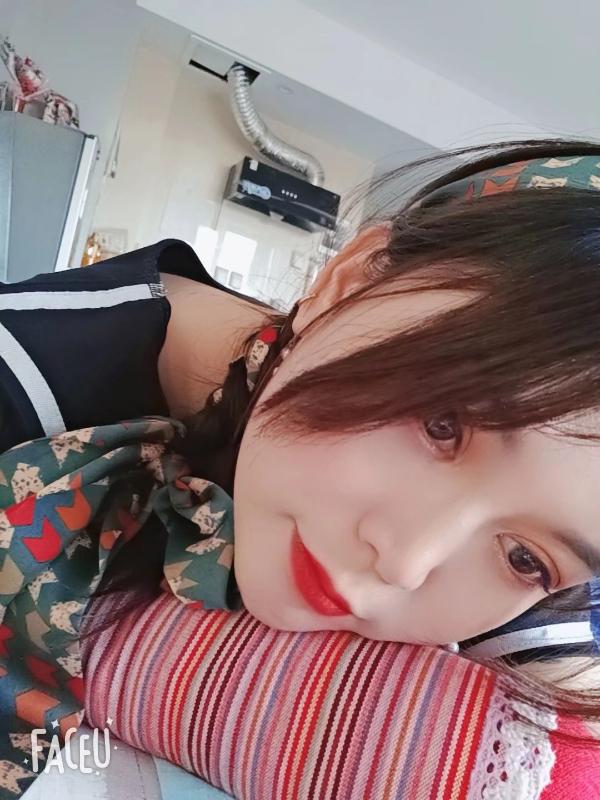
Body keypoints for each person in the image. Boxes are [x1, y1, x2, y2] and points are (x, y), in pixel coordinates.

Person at [2, 139, 600, 799]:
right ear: (346, 285)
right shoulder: (24, 379)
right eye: (442, 425)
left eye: (524, 559)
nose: (406, 562)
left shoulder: (512, 598)